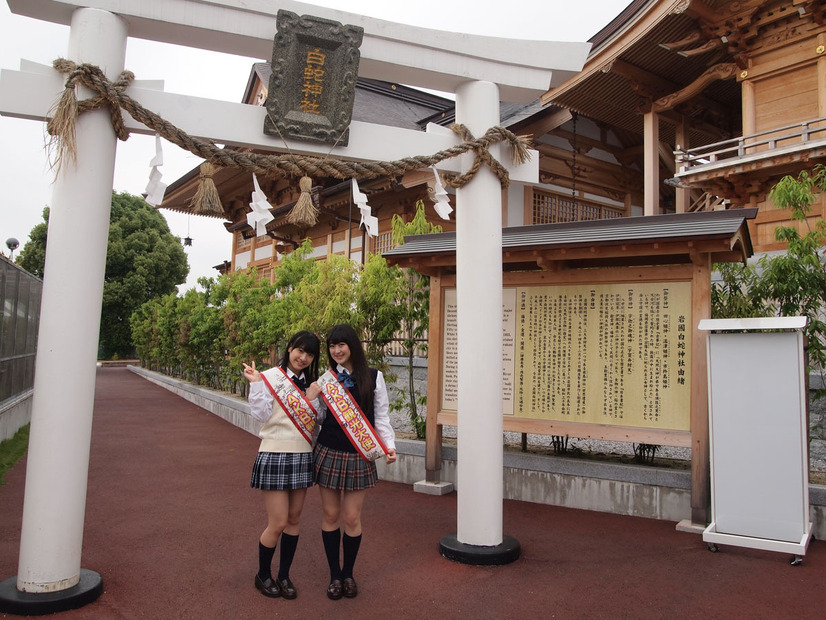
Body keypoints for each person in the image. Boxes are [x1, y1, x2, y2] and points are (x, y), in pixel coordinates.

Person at [312, 323, 397, 600]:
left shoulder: (374, 377)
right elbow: (321, 418)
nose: (336, 350)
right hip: (329, 451)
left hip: (359, 454)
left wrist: (389, 446)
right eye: (332, 346)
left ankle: (348, 573)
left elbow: (381, 416)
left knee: (351, 517)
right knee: (330, 516)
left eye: (341, 344)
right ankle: (334, 575)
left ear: (352, 346)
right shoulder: (325, 380)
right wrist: (312, 400)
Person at [243, 331, 322, 600]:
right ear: (289, 349)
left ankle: (284, 575)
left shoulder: (312, 385)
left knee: (294, 520)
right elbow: (261, 415)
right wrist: (255, 384)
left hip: (301, 455)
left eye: (309, 354)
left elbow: (315, 423)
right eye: (300, 350)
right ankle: (263, 574)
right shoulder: (269, 377)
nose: (303, 357)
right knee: (277, 522)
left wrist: (311, 399)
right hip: (275, 453)